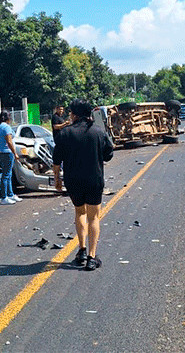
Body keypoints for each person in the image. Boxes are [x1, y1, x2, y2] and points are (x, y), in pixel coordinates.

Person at [52, 98, 114, 271]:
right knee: (94, 217)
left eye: (71, 112)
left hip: (73, 181)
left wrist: (57, 180)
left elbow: (56, 161)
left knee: (80, 212)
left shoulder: (65, 133)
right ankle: (92, 258)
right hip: (94, 180)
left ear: (75, 115)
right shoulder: (98, 132)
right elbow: (109, 154)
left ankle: (81, 250)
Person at [0, 110, 21, 205]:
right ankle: (4, 197)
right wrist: (15, 153)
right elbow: (10, 142)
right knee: (6, 175)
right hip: (7, 153)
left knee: (8, 174)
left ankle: (10, 194)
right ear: (8, 118)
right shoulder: (6, 127)